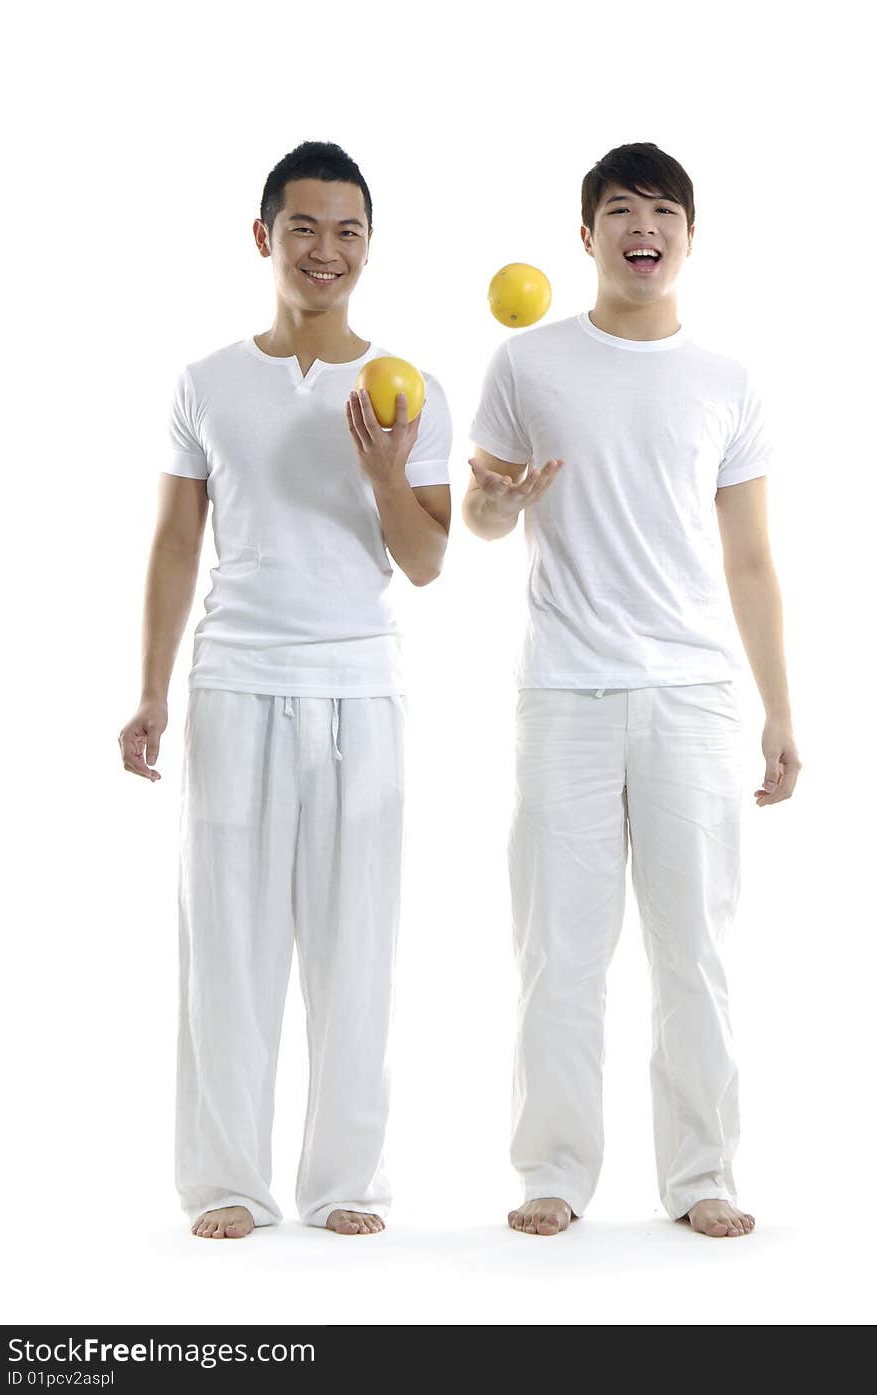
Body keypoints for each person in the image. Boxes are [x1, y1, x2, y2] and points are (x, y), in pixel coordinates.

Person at [463, 141, 802, 1240]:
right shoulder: (525, 363)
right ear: (587, 236)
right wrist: (503, 503)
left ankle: (702, 1174)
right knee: (557, 948)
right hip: (563, 689)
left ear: (687, 238)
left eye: (660, 210)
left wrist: (780, 712)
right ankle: (550, 1174)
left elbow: (750, 559)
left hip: (695, 696)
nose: (640, 225)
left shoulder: (728, 380)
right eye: (619, 209)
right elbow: (478, 515)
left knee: (691, 952)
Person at [118, 141, 452, 1238]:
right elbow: (176, 543)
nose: (326, 250)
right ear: (264, 236)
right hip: (234, 682)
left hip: (361, 686)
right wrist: (152, 692)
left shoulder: (410, 387)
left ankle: (345, 1183)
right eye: (304, 227)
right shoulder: (206, 382)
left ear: (369, 245)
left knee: (358, 940)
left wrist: (384, 473)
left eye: (347, 231)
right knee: (228, 939)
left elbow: (427, 560)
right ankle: (225, 1181)